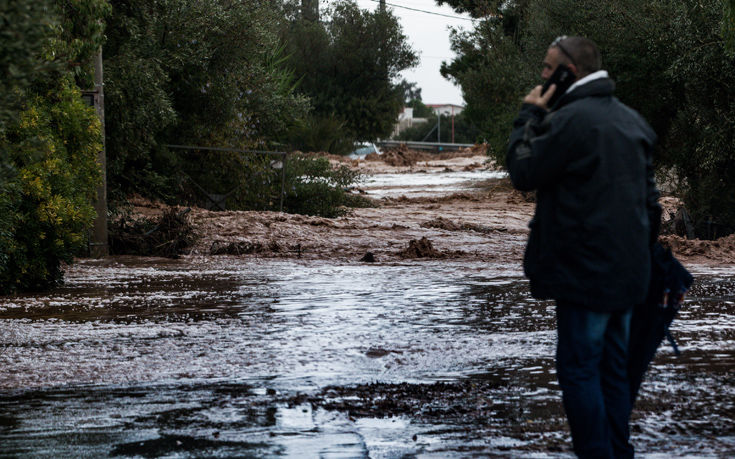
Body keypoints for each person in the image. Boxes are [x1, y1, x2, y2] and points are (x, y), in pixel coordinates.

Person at [506, 36, 661, 458]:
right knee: (613, 373)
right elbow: (653, 209)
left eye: (546, 67)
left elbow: (522, 170)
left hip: (585, 277)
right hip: (629, 278)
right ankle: (616, 451)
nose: (541, 75)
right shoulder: (634, 122)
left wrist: (528, 115)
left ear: (567, 72)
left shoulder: (569, 121)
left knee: (579, 372)